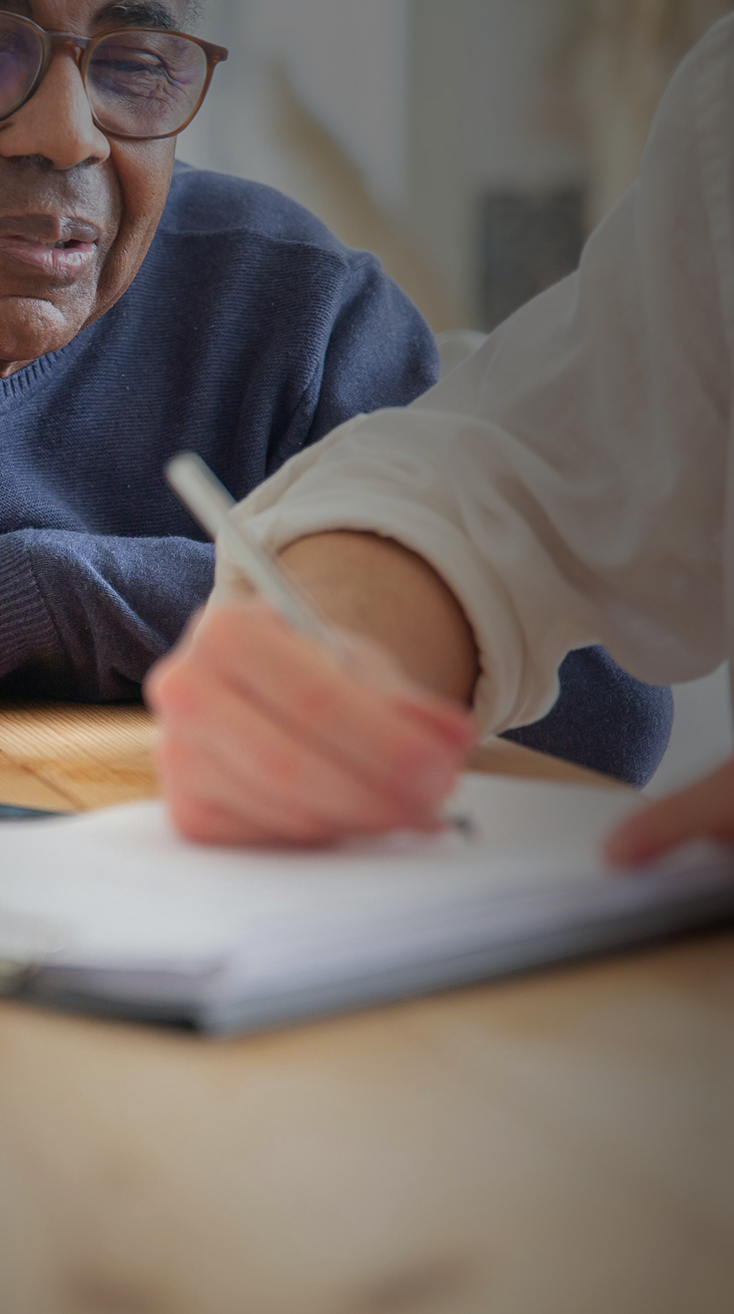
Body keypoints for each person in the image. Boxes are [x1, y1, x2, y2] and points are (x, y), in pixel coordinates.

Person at [0, 1, 664, 783]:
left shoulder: (286, 312)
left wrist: (38, 597)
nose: (68, 136)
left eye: (137, 63)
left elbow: (605, 708)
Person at [146, 13, 734, 863]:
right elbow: (504, 471)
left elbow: (613, 707)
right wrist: (340, 648)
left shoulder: (291, 295)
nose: (60, 136)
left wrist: (18, 599)